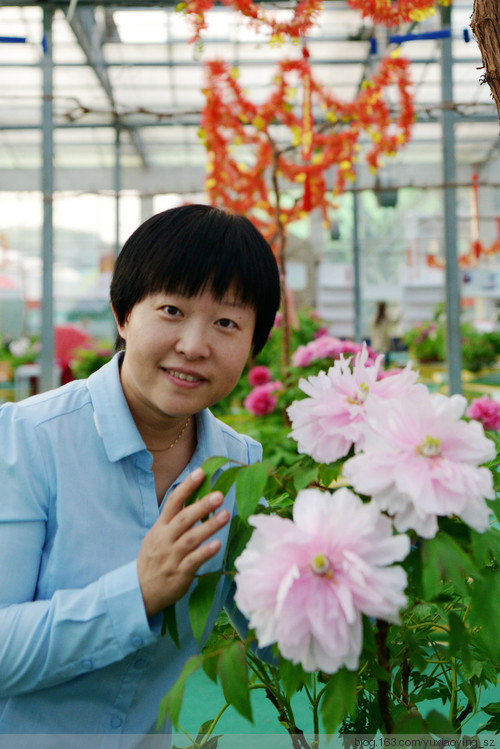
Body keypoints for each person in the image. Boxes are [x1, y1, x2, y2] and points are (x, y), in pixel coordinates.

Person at [0, 204, 281, 744]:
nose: (195, 345)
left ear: (252, 344)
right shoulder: (27, 439)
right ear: (123, 314)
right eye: (172, 310)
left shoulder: (239, 466)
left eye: (226, 322)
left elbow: (273, 642)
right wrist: (137, 592)